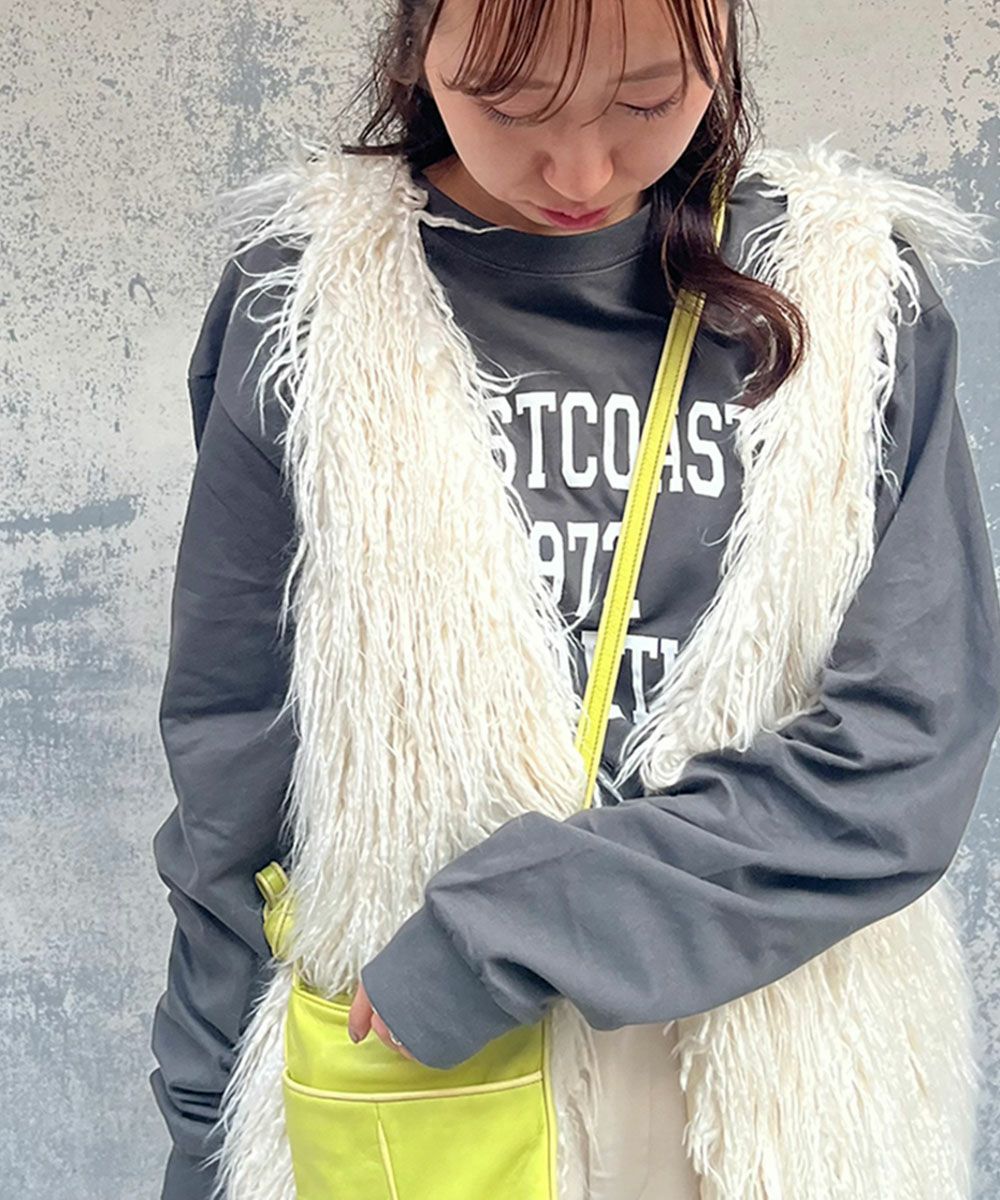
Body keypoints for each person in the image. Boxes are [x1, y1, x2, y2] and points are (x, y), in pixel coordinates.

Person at [149, 0, 1000, 1197]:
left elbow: (908, 746)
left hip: (783, 1090)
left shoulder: (849, 290)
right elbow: (236, 766)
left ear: (720, 40)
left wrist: (508, 928)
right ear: (420, 45)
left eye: (647, 100)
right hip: (421, 1090)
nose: (581, 170)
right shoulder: (310, 301)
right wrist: (203, 1132)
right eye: (510, 103)